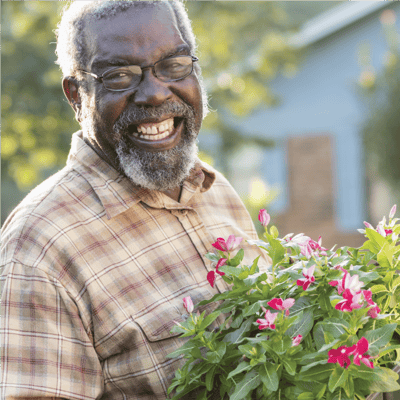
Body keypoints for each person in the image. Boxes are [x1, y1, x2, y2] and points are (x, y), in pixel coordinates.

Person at [0, 1, 269, 399]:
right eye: (120, 76)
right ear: (77, 96)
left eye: (174, 66)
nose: (156, 93)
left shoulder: (214, 191)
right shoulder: (38, 251)